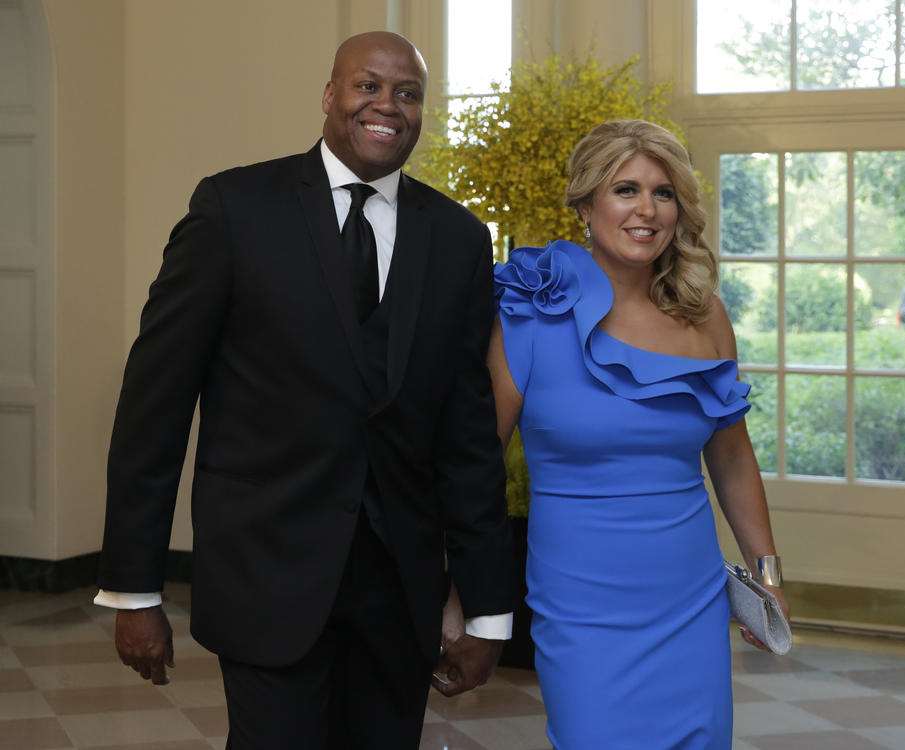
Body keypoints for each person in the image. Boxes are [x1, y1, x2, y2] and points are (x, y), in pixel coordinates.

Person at [95, 31, 517, 749]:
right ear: (330, 97)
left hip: (399, 593)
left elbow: (468, 436)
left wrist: (486, 610)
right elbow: (154, 404)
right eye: (369, 86)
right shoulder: (235, 209)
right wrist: (135, 588)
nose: (389, 104)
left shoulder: (458, 238)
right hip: (265, 577)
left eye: (408, 92)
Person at [464, 119, 789, 748]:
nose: (647, 210)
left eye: (663, 193)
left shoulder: (704, 313)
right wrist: (463, 592)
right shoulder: (528, 311)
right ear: (586, 203)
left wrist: (767, 575)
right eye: (626, 190)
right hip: (579, 602)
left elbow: (731, 457)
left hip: (689, 600)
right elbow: (477, 464)